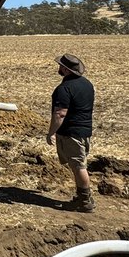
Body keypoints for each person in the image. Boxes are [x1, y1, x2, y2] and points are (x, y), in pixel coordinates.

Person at [47, 53, 97, 213]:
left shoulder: (64, 89)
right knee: (79, 163)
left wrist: (51, 132)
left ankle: (84, 200)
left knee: (78, 166)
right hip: (84, 130)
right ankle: (83, 196)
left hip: (72, 133)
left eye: (61, 66)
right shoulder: (87, 84)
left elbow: (60, 114)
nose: (59, 68)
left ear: (66, 69)